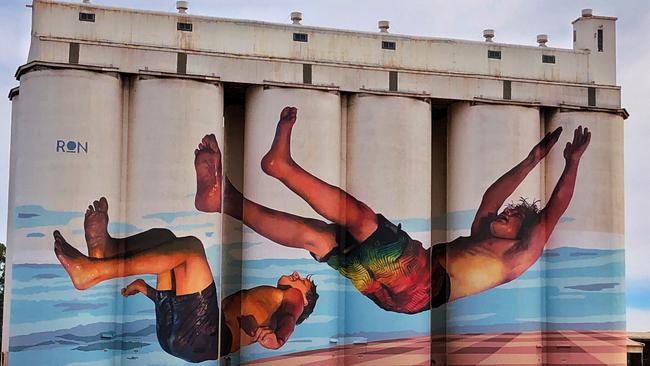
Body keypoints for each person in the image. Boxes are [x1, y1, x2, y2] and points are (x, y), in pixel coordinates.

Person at [194, 106, 591, 314]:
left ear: (523, 232)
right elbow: (491, 196)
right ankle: (225, 200)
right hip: (395, 295)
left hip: (418, 281)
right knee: (317, 237)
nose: (502, 215)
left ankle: (282, 166)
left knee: (364, 220)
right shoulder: (480, 238)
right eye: (508, 213)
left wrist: (570, 164)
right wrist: (530, 160)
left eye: (511, 218)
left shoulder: (521, 255)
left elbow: (555, 208)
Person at [54, 197, 319, 363]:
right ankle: (106, 251)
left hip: (203, 337)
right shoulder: (271, 300)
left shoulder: (293, 301)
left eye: (303, 281)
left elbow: (289, 319)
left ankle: (94, 271)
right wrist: (148, 290)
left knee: (191, 249)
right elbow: (187, 306)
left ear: (304, 299)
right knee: (166, 240)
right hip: (181, 335)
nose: (297, 276)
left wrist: (279, 339)